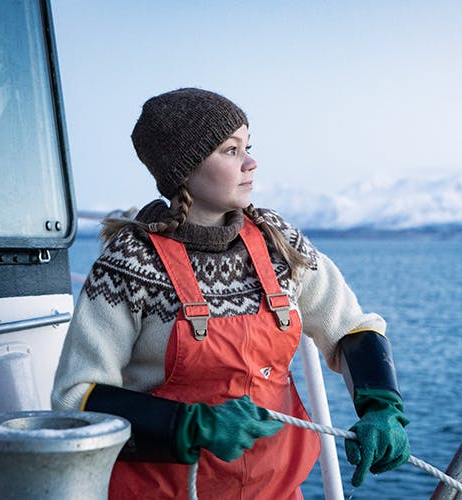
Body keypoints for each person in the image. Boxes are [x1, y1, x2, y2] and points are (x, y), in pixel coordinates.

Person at [51, 87, 410, 499]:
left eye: (248, 146)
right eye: (230, 150)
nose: (252, 163)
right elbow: (75, 397)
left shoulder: (278, 241)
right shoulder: (131, 263)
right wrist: (192, 426)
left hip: (277, 491)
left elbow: (351, 328)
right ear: (184, 169)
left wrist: (381, 407)